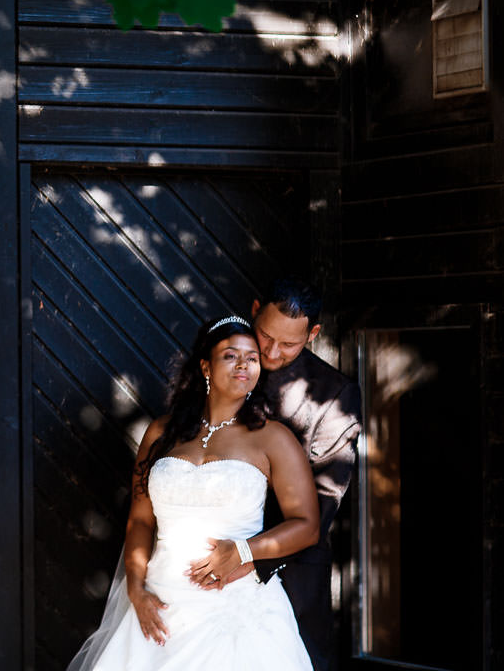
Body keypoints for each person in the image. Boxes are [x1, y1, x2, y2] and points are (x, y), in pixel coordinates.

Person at [67, 315, 320, 671]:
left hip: (235, 607)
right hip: (161, 602)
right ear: (206, 366)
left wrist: (244, 550)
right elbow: (140, 520)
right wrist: (136, 590)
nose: (244, 365)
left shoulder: (273, 438)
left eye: (252, 357)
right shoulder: (161, 433)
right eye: (231, 355)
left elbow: (307, 525)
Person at [207, 278, 361, 671]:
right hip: (206, 557)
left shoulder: (335, 395)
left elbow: (324, 501)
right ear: (254, 309)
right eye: (265, 335)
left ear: (313, 334)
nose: (272, 351)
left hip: (290, 569)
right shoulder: (223, 364)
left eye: (289, 344)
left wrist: (250, 558)